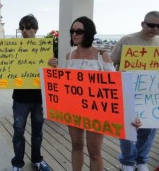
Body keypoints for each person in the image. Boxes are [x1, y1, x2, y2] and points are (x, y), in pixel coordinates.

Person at [64, 16, 115, 171]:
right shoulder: (69, 56)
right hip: (74, 108)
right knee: (76, 146)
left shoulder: (101, 56)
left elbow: (114, 85)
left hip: (96, 110)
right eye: (72, 31)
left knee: (94, 153)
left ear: (89, 33)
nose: (74, 34)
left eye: (79, 31)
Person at [110, 11, 159, 171]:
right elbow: (111, 63)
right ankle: (127, 162)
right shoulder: (127, 40)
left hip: (151, 95)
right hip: (128, 92)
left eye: (158, 26)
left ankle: (141, 160)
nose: (155, 29)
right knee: (128, 128)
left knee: (150, 128)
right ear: (142, 24)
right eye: (151, 25)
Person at [11, 14, 51, 171]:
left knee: (37, 132)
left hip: (39, 98)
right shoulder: (14, 49)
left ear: (36, 29)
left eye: (27, 27)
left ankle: (37, 159)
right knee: (18, 131)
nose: (24, 31)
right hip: (20, 98)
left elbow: (51, 73)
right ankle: (17, 163)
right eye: (21, 28)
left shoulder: (45, 50)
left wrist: (52, 64)